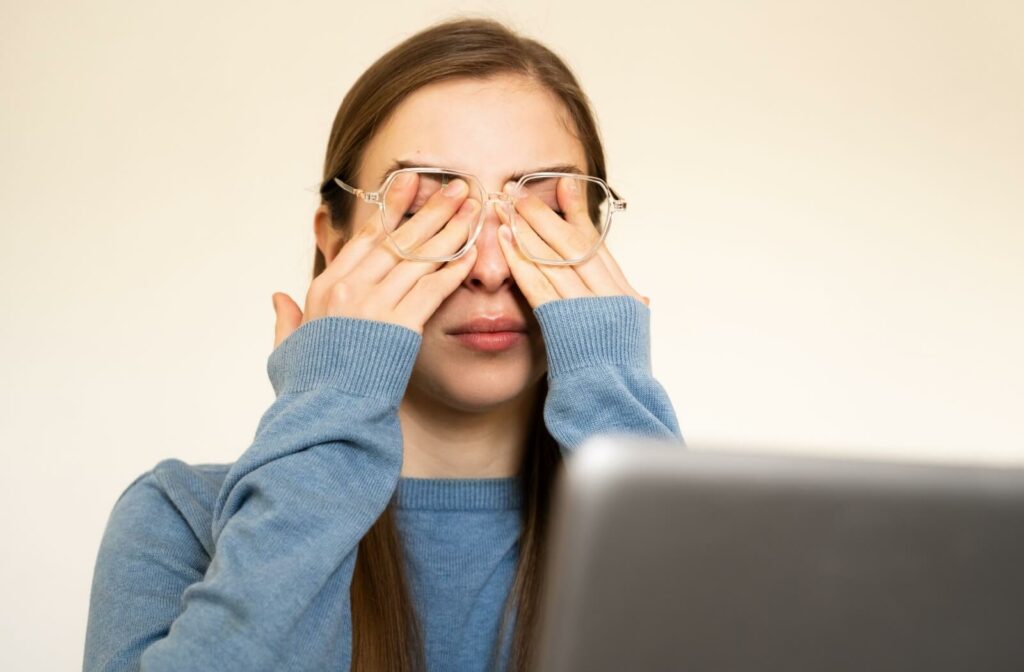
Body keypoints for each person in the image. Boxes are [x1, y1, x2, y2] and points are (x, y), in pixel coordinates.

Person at [83, 16, 683, 672]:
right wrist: (333, 399)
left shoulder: (707, 531)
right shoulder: (180, 520)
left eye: (545, 217)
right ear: (335, 245)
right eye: (425, 214)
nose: (488, 269)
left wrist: (620, 419)